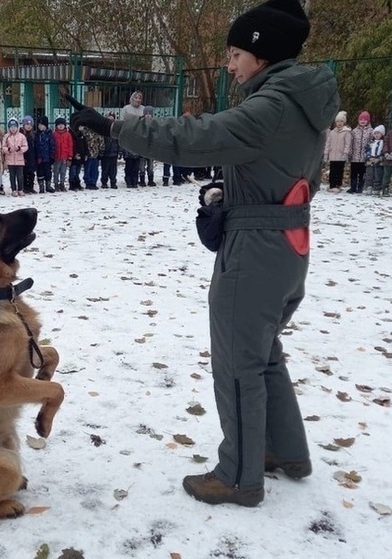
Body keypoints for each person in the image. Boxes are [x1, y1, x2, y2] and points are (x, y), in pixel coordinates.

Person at [71, 0, 339, 507]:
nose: (229, 63)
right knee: (263, 355)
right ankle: (284, 450)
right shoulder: (300, 101)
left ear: (261, 55)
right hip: (285, 242)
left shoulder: (273, 105)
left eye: (235, 53)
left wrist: (115, 126)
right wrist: (233, 192)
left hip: (257, 249)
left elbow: (197, 137)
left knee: (239, 364)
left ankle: (239, 476)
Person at [323, 111, 352, 193]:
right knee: (332, 171)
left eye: (341, 121)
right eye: (338, 121)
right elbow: (328, 143)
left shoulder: (346, 132)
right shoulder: (332, 132)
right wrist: (326, 153)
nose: (339, 123)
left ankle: (338, 185)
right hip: (332, 155)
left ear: (344, 122)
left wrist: (345, 153)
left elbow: (347, 144)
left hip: (341, 155)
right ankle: (332, 185)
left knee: (339, 171)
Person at [347, 111, 372, 194]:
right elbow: (351, 143)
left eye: (365, 119)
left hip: (364, 157)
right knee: (353, 173)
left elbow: (371, 143)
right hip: (355, 156)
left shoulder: (371, 131)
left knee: (362, 173)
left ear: (368, 120)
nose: (363, 121)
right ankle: (353, 187)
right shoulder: (354, 131)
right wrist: (349, 153)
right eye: (361, 119)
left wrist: (369, 155)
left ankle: (360, 187)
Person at [2, 118, 28, 197]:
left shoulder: (21, 136)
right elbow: (3, 147)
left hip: (19, 159)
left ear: (18, 127)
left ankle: (20, 189)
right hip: (10, 160)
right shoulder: (6, 136)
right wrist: (7, 150)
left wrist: (20, 149)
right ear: (9, 127)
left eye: (14, 127)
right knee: (12, 176)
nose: (13, 129)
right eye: (11, 127)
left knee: (20, 176)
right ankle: (13, 189)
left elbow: (26, 146)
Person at [34, 115, 56, 193]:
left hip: (47, 158)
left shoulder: (49, 134)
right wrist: (37, 156)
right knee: (40, 172)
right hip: (39, 158)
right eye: (39, 125)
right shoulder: (36, 135)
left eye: (42, 124)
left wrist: (52, 156)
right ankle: (41, 186)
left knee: (48, 172)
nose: (40, 126)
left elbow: (52, 145)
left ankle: (48, 185)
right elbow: (35, 146)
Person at [363, 125, 386, 195]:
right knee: (369, 174)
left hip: (379, 163)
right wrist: (369, 157)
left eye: (378, 133)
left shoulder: (383, 143)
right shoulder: (370, 143)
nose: (376, 135)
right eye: (375, 133)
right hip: (370, 162)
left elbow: (384, 152)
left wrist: (379, 158)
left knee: (378, 175)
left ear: (382, 134)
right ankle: (369, 187)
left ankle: (377, 188)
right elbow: (366, 151)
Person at [52, 117, 72, 192]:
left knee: (63, 172)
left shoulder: (68, 135)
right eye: (59, 125)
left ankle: (62, 184)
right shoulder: (54, 134)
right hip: (56, 157)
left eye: (62, 124)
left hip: (64, 157)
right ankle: (56, 184)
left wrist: (70, 156)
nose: (60, 126)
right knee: (56, 171)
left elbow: (70, 146)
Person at [81, 124, 104, 189]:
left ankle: (93, 182)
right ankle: (88, 183)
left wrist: (101, 151)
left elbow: (101, 141)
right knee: (87, 169)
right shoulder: (85, 132)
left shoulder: (98, 132)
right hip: (87, 154)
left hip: (96, 154)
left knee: (95, 169)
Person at [100, 113, 119, 189]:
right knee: (105, 168)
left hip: (114, 152)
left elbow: (119, 141)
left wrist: (119, 151)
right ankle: (104, 182)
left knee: (113, 169)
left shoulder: (116, 129)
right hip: (105, 153)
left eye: (112, 119)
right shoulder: (103, 129)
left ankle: (113, 182)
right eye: (109, 119)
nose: (110, 120)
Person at [139, 106, 156, 186]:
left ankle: (150, 179)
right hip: (143, 148)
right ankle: (142, 180)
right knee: (142, 165)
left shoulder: (154, 124)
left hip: (151, 148)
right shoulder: (141, 123)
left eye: (150, 113)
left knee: (150, 166)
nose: (148, 115)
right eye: (146, 113)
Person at [20, 115, 37, 194]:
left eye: (30, 125)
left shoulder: (33, 135)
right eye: (27, 124)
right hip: (24, 156)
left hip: (32, 157)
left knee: (31, 173)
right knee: (24, 173)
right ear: (23, 125)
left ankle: (31, 187)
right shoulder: (21, 135)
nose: (28, 126)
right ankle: (24, 187)